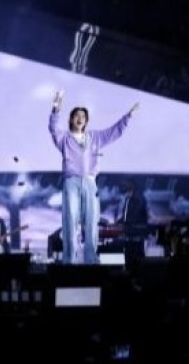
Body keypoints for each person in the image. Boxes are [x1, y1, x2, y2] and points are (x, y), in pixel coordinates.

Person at [49, 90, 139, 264]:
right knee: (70, 220)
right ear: (71, 119)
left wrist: (128, 117)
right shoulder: (64, 138)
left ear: (86, 121)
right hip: (71, 182)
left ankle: (90, 259)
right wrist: (56, 109)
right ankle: (69, 260)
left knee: (91, 221)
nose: (80, 118)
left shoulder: (94, 137)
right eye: (76, 115)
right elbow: (53, 128)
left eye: (83, 116)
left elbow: (114, 132)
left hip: (90, 182)